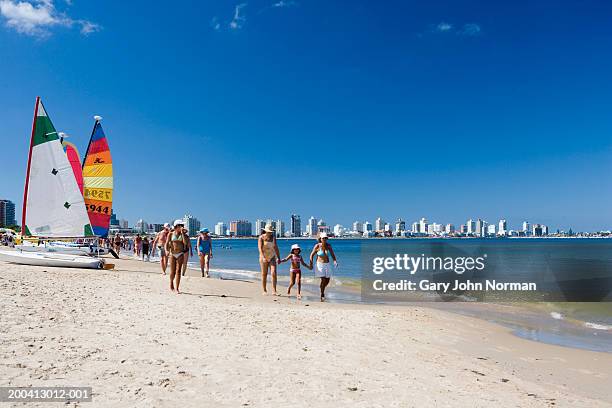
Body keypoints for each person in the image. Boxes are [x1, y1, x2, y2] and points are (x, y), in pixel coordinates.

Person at [309, 232, 337, 302]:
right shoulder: (317, 246)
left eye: (325, 238)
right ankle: (322, 293)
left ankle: (322, 288)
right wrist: (311, 263)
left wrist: (334, 261)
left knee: (328, 280)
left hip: (327, 264)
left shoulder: (328, 246)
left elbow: (332, 254)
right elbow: (311, 255)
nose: (324, 239)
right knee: (323, 279)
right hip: (319, 264)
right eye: (323, 238)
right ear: (320, 239)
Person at [165, 220, 190, 294]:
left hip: (180, 254)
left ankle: (177, 288)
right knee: (172, 271)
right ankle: (171, 282)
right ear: (176, 226)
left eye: (183, 225)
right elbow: (167, 243)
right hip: (172, 254)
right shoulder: (170, 234)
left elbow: (185, 243)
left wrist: (182, 233)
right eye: (180, 225)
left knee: (178, 271)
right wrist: (167, 250)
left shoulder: (185, 235)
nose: (182, 227)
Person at [258, 224, 280, 295]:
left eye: (271, 232)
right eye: (269, 232)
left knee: (273, 273)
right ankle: (264, 290)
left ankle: (274, 291)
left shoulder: (273, 238)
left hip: (272, 256)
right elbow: (260, 249)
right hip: (263, 257)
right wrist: (263, 257)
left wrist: (279, 258)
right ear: (265, 231)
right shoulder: (261, 238)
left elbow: (276, 248)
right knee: (264, 274)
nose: (270, 233)